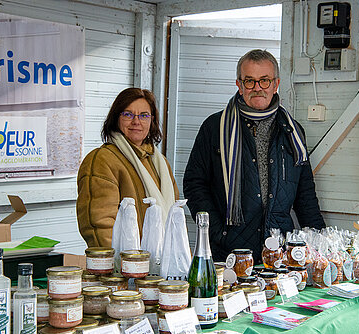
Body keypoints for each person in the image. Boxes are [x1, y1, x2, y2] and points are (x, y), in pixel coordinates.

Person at [183, 49, 325, 264]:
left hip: (280, 251)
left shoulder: (292, 132)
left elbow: (304, 193)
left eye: (264, 81)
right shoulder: (215, 128)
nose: (257, 88)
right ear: (239, 85)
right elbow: (194, 184)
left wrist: (321, 241)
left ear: (276, 84)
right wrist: (216, 232)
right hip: (229, 251)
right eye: (250, 81)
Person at [77, 88, 179, 247]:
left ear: (152, 120)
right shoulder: (102, 160)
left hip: (160, 264)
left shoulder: (160, 163)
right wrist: (124, 265)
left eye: (144, 115)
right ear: (116, 118)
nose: (136, 121)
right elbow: (98, 224)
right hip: (125, 267)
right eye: (128, 114)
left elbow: (175, 216)